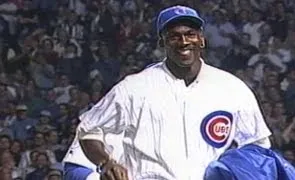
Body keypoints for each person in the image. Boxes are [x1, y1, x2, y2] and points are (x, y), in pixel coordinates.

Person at [63, 5, 272, 180]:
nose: (183, 42)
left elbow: (257, 146)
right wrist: (105, 162)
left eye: (190, 34)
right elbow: (89, 129)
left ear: (201, 39)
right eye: (174, 36)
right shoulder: (134, 88)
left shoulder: (232, 88)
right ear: (162, 43)